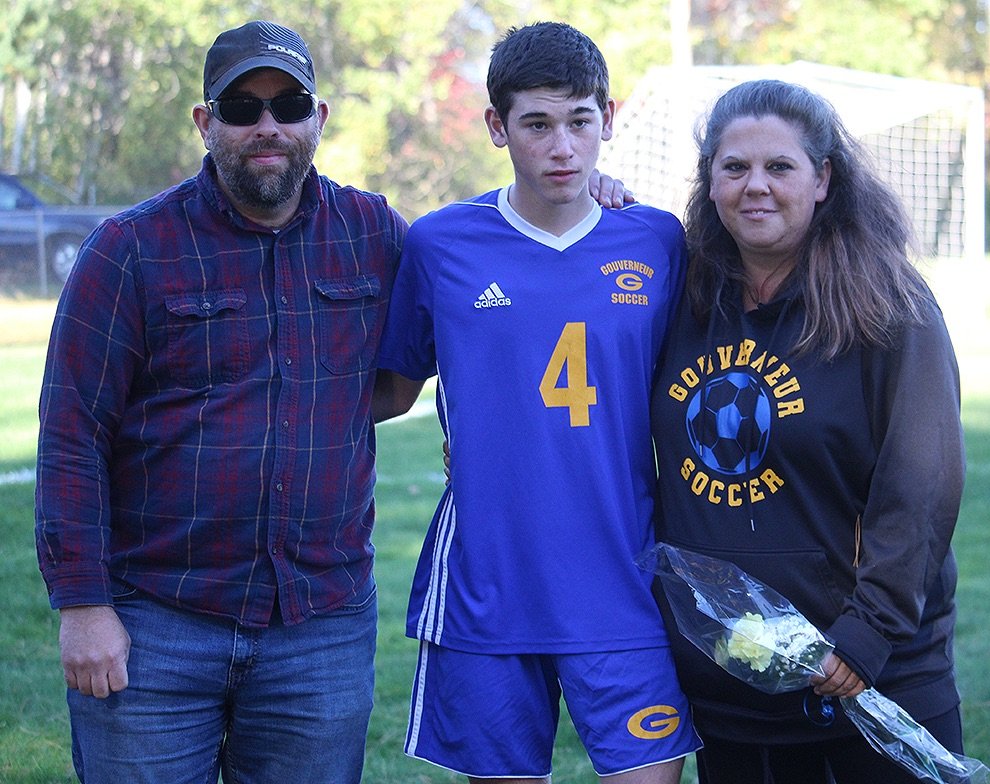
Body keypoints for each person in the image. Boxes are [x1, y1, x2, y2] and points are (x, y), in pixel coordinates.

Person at [33, 19, 630, 784]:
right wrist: (82, 604)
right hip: (157, 620)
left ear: (319, 118)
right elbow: (71, 436)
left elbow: (462, 327)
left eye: (288, 104)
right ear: (204, 122)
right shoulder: (130, 249)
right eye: (241, 109)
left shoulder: (373, 233)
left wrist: (598, 196)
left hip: (319, 627)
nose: (267, 126)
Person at [373, 22, 702, 784]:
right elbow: (389, 390)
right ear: (497, 127)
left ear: (608, 119)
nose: (563, 147)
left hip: (624, 582)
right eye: (538, 124)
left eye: (580, 121)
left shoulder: (656, 240)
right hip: (490, 585)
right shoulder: (441, 245)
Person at [649, 78, 966, 783]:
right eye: (734, 168)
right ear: (710, 181)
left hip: (865, 677)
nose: (755, 186)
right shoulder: (682, 294)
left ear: (822, 179)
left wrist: (864, 640)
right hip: (731, 689)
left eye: (780, 167)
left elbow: (922, 482)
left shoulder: (888, 304)